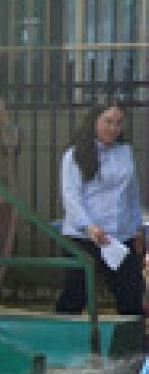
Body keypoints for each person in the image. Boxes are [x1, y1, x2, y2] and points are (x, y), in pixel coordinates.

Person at [54, 100, 143, 317]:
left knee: (131, 293)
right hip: (85, 237)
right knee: (75, 295)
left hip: (120, 237)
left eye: (119, 123)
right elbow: (71, 197)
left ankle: (130, 337)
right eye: (108, 121)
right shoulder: (74, 154)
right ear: (94, 121)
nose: (113, 128)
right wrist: (89, 226)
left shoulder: (125, 152)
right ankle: (62, 333)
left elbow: (132, 193)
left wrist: (137, 227)